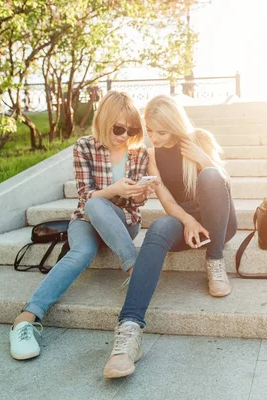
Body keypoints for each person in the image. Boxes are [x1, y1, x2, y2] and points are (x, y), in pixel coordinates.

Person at [9, 91, 158, 361]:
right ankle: (26, 318)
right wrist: (113, 189)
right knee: (84, 239)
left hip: (124, 222)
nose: (125, 135)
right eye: (119, 128)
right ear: (104, 120)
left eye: (132, 129)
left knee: (99, 206)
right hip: (86, 220)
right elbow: (84, 195)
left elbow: (138, 204)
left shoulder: (139, 153)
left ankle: (131, 263)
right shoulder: (84, 147)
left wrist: (141, 193)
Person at [102, 94, 237, 378]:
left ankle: (214, 260)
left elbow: (223, 188)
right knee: (160, 227)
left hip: (219, 220)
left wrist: (203, 159)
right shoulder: (153, 155)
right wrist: (187, 220)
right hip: (183, 219)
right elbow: (167, 202)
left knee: (211, 176)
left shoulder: (198, 138)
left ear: (175, 126)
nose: (154, 137)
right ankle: (129, 330)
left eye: (161, 132)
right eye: (149, 131)